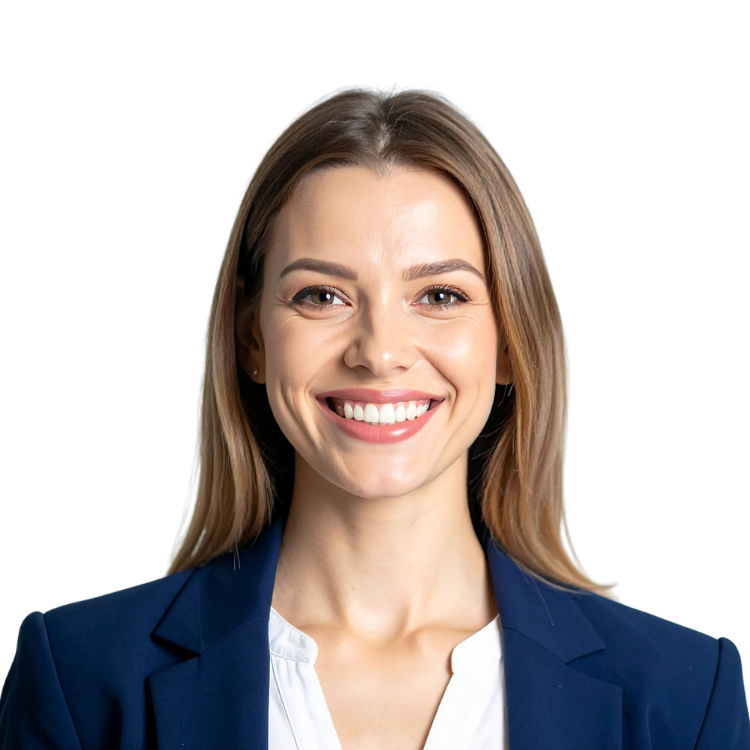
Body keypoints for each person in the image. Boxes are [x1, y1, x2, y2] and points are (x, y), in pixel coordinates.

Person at [1, 84, 747, 749]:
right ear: (252, 338)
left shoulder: (682, 696)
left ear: (510, 340)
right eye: (321, 295)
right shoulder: (80, 679)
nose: (380, 352)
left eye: (440, 295)